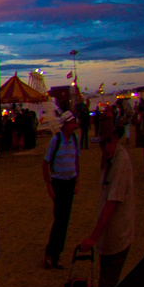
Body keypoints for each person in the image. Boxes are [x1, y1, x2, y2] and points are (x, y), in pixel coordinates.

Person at [75, 128, 135, 287]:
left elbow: (112, 203)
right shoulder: (109, 159)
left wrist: (93, 237)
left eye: (109, 142)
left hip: (118, 236)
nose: (106, 147)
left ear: (116, 138)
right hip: (108, 238)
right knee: (105, 284)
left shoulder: (121, 161)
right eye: (102, 143)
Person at [42, 112, 81, 270]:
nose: (74, 126)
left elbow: (77, 160)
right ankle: (51, 253)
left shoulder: (75, 140)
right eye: (71, 123)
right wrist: (49, 185)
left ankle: (57, 254)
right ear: (64, 124)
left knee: (65, 220)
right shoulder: (55, 141)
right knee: (59, 219)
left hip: (70, 182)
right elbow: (46, 163)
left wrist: (77, 181)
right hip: (58, 183)